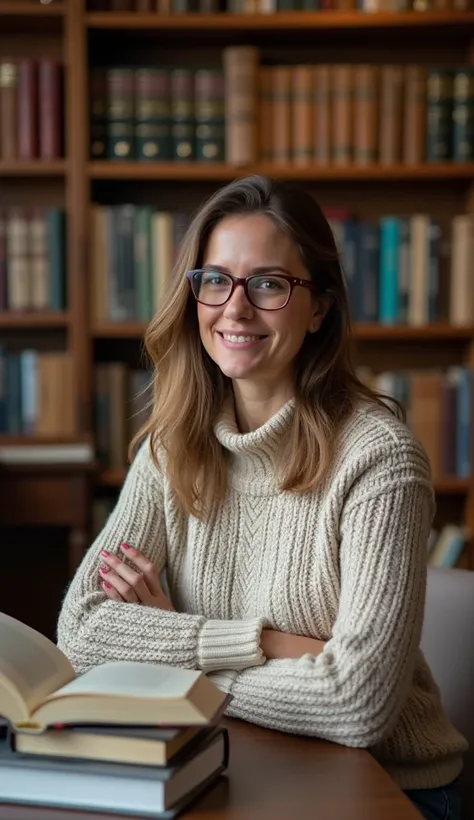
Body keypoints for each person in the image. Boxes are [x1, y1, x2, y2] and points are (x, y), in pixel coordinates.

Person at [58, 175, 467, 820]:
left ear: (320, 308)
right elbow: (81, 629)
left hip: (387, 788)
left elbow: (356, 702)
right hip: (233, 762)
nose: (236, 309)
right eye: (215, 280)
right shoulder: (174, 446)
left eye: (270, 284)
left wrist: (170, 657)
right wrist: (273, 644)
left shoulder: (378, 459)